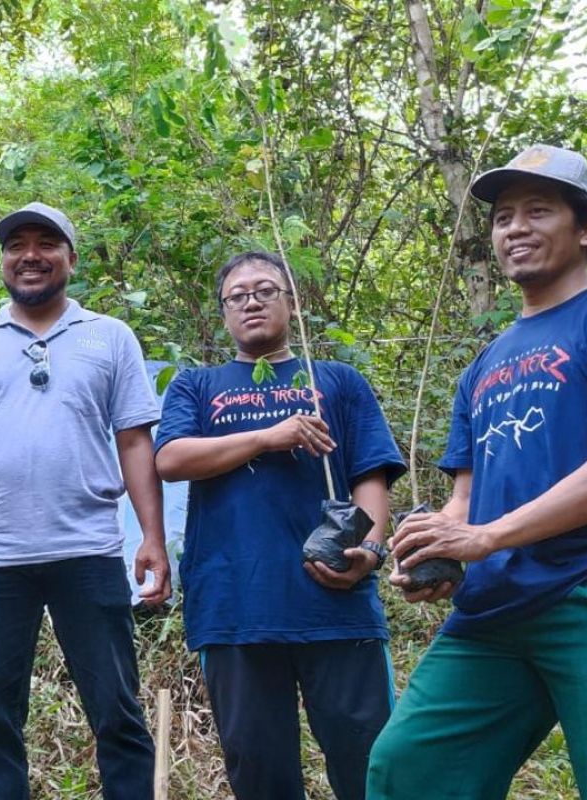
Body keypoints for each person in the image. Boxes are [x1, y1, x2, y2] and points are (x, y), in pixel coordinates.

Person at [367, 144, 587, 799]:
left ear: (586, 228)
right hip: (492, 607)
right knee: (411, 769)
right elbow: (466, 497)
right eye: (503, 217)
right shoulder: (484, 364)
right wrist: (437, 541)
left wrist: (487, 538)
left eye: (538, 210)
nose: (515, 227)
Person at [0, 201, 171, 800]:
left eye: (46, 243)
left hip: (88, 549)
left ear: (70, 258)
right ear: (3, 261)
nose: (30, 255)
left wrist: (153, 537)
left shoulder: (110, 336)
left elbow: (134, 441)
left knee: (117, 710)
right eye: (17, 244)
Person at [153, 251, 406, 800]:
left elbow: (370, 474)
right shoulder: (198, 386)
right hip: (235, 605)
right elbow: (171, 459)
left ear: (291, 302)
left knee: (371, 765)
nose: (251, 301)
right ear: (223, 314)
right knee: (260, 771)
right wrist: (269, 436)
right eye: (237, 295)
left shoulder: (337, 380)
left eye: (265, 290)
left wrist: (370, 550)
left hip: (336, 604)